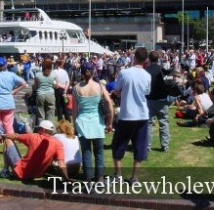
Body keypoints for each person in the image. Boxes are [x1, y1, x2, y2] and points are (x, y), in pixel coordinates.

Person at [111, 47, 151, 184]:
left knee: (118, 145)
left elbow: (116, 90)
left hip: (127, 114)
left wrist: (119, 93)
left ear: (134, 57)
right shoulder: (147, 75)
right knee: (140, 146)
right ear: (145, 60)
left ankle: (118, 176)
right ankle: (134, 177)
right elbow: (146, 92)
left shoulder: (124, 73)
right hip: (142, 114)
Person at [73, 61, 113, 182]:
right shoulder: (99, 86)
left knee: (86, 153)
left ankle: (88, 181)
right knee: (99, 153)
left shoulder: (76, 88)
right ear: (94, 71)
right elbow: (110, 105)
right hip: (97, 122)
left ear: (81, 72)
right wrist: (110, 122)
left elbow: (74, 111)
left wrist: (74, 125)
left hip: (82, 122)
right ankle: (100, 179)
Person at [0, 120, 70, 181]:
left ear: (43, 130)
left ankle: (5, 170)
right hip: (37, 175)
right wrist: (67, 179)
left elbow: (15, 136)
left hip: (20, 172)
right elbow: (61, 163)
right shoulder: (58, 144)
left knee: (8, 140)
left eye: (39, 128)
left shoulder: (33, 136)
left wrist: (3, 135)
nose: (38, 130)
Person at [145, 50, 171, 152]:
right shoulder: (162, 70)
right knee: (164, 123)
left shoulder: (146, 70)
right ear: (158, 58)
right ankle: (165, 146)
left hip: (150, 99)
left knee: (149, 124)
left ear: (149, 59)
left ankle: (147, 146)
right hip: (162, 99)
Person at [33, 58, 56, 124]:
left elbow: (35, 87)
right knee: (50, 113)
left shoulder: (37, 75)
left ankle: (41, 130)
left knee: (40, 114)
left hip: (40, 94)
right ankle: (49, 130)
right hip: (50, 94)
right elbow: (55, 86)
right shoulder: (53, 74)